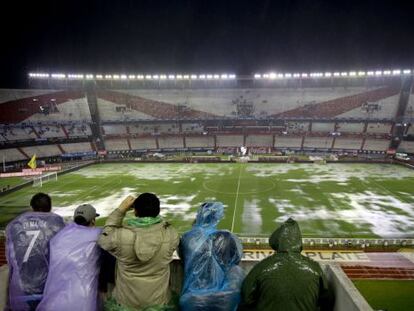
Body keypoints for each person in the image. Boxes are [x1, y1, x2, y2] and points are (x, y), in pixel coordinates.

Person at [98, 193, 179, 310]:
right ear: (158, 210)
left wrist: (121, 210)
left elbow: (104, 239)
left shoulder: (120, 236)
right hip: (158, 301)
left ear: (135, 211)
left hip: (126, 301)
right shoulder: (171, 234)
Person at [238, 218, 334, 311]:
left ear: (277, 242)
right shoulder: (315, 268)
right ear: (298, 242)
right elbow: (326, 300)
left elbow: (246, 297)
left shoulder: (262, 266)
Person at [179, 202, 244, 311]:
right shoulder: (227, 237)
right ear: (218, 217)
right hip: (224, 298)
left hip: (191, 298)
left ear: (199, 216)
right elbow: (236, 260)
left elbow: (183, 258)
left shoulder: (188, 238)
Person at [5, 193, 65, 311]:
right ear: (50, 206)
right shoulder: (57, 222)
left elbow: (11, 256)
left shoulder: (16, 223)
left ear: (32, 206)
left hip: (24, 282)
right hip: (48, 283)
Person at [37, 204, 102, 311]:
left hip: (55, 300)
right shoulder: (97, 235)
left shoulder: (60, 236)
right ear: (93, 221)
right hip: (83, 299)